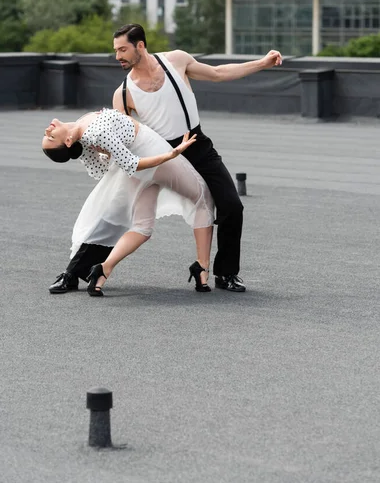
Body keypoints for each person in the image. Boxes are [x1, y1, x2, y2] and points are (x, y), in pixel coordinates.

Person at [49, 24, 282, 294]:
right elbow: (119, 141)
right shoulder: (122, 94)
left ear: (140, 45)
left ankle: (226, 274)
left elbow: (218, 73)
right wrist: (85, 148)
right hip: (157, 155)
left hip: (197, 146)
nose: (118, 57)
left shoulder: (176, 60)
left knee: (231, 205)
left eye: (122, 49)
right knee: (115, 213)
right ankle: (72, 274)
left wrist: (262, 63)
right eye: (115, 51)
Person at [42, 108, 214, 296]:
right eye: (51, 138)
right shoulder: (95, 134)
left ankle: (103, 269)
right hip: (156, 157)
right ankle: (202, 268)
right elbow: (131, 163)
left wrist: (106, 152)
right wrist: (170, 155)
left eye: (47, 136)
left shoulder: (83, 126)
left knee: (142, 228)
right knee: (203, 198)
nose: (47, 131)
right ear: (67, 142)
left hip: (141, 172)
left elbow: (101, 169)